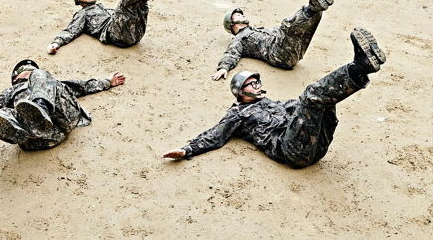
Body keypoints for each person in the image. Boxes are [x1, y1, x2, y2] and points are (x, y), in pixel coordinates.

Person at [164, 27, 386, 168]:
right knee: (312, 96)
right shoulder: (236, 114)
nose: (258, 85)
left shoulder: (269, 103)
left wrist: (308, 102)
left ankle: (362, 69)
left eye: (257, 81)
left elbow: (297, 106)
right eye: (252, 83)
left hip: (316, 147)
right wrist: (188, 150)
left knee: (320, 101)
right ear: (240, 92)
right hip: (291, 151)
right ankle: (358, 67)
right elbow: (215, 135)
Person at [0, 60, 126, 151]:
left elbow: (82, 86)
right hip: (45, 137)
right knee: (0, 113)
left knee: (42, 77)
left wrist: (108, 82)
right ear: (15, 78)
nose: (29, 73)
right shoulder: (10, 92)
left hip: (62, 119)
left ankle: (40, 107)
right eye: (26, 72)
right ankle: (23, 131)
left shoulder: (47, 80)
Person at [212, 0, 333, 80]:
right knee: (286, 25)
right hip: (278, 55)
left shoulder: (256, 30)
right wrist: (223, 68)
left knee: (313, 19)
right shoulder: (239, 38)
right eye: (238, 16)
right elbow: (230, 54)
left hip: (294, 52)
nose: (242, 16)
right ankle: (310, 8)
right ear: (232, 24)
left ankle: (314, 9)